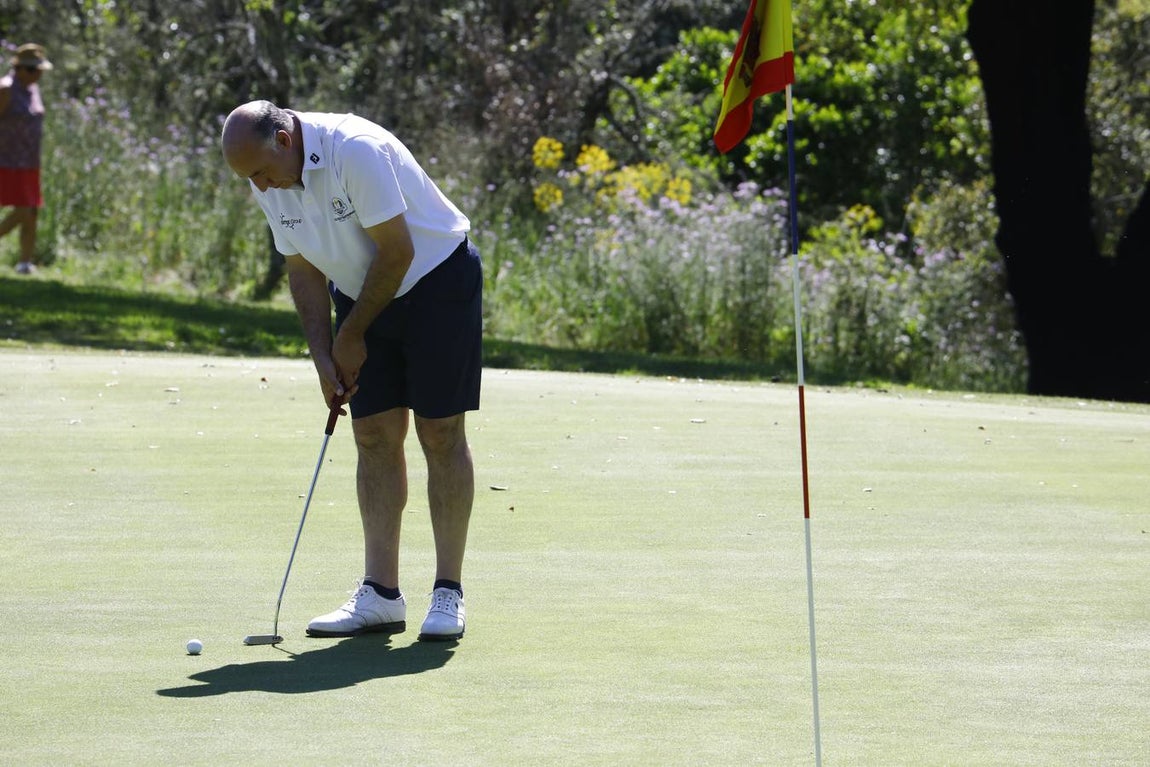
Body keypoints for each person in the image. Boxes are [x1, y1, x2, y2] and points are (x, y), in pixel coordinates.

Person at [220, 100, 482, 642]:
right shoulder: (266, 174)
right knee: (372, 434)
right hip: (363, 289)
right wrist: (323, 356)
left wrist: (352, 333)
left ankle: (448, 592)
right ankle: (381, 595)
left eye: (263, 173)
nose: (261, 189)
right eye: (251, 179)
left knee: (439, 431)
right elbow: (303, 269)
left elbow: (398, 251)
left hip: (436, 281)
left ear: (286, 140)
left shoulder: (354, 151)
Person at [0, 43, 52, 274]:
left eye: (39, 70)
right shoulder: (5, 89)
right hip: (6, 159)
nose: (37, 74)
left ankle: (24, 263)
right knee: (23, 209)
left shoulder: (32, 89)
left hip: (29, 162)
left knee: (31, 212)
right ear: (19, 68)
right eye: (32, 70)